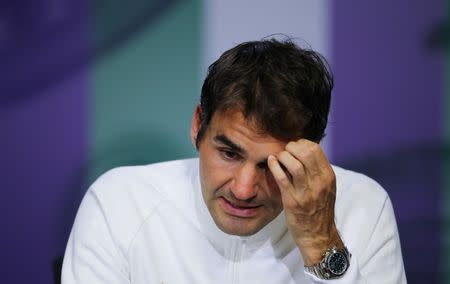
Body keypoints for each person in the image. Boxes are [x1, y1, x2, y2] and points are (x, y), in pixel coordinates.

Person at [62, 39, 406, 283]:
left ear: (310, 151)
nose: (243, 190)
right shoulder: (120, 202)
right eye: (229, 153)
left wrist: (322, 245)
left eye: (272, 165)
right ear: (199, 125)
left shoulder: (362, 206)